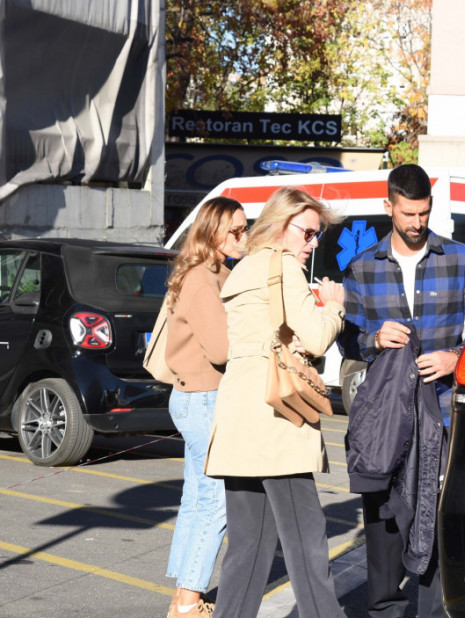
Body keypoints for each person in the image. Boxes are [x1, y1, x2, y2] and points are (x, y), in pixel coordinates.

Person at [339, 164, 465, 618]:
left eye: (424, 213)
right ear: (389, 207)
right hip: (386, 418)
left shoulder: (460, 259)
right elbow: (347, 340)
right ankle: (384, 610)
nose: (417, 223)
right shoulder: (362, 268)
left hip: (443, 413)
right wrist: (373, 339)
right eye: (408, 213)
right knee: (384, 523)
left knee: (435, 524)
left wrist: (455, 359)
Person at [204, 187, 347, 618]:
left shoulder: (245, 266)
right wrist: (334, 308)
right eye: (307, 232)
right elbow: (317, 338)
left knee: (248, 545)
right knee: (306, 538)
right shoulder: (283, 265)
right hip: (276, 416)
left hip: (238, 413)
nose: (313, 243)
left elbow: (253, 335)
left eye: (317, 235)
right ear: (281, 225)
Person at [164, 196, 247, 618]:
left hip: (196, 396)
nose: (243, 238)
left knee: (198, 496)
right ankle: (188, 602)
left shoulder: (211, 272)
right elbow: (220, 349)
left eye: (245, 229)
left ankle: (183, 595)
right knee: (215, 500)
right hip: (203, 398)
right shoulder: (203, 278)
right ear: (213, 232)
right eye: (236, 231)